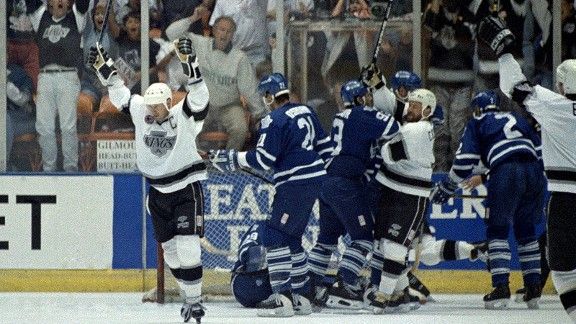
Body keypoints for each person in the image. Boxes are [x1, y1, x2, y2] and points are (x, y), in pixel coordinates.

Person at [88, 37, 209, 323]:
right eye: (150, 105)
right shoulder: (141, 109)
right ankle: (188, 295)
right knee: (170, 252)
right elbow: (120, 94)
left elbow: (201, 97)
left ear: (169, 102)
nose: (152, 110)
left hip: (185, 190)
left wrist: (190, 64)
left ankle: (194, 301)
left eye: (158, 106)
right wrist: (104, 67)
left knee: (188, 244)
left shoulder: (184, 115)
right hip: (156, 192)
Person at [209, 72, 332, 317]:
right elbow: (327, 149)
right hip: (315, 181)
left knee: (275, 236)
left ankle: (283, 298)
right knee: (292, 239)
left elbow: (264, 159)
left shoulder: (273, 119)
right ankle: (300, 298)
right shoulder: (306, 111)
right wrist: (309, 174)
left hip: (294, 184)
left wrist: (233, 159)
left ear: (268, 96)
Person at [478, 14, 576, 321]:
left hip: (565, 199)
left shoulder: (554, 106)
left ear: (562, 84)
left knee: (562, 271)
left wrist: (505, 51)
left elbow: (513, 87)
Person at [430, 89, 546, 310]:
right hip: (534, 173)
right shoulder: (517, 119)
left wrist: (449, 184)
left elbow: (465, 160)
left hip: (506, 173)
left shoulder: (478, 122)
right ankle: (533, 289)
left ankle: (501, 288)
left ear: (477, 109)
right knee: (527, 232)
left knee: (497, 232)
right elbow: (539, 150)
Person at [307, 78, 401, 310]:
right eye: (366, 96)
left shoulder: (343, 117)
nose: (369, 100)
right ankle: (344, 284)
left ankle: (310, 287)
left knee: (326, 240)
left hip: (327, 182)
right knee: (363, 238)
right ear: (360, 98)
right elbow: (393, 126)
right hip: (344, 185)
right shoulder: (361, 115)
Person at [366, 86, 438, 314]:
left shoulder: (417, 131)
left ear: (427, 111)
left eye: (416, 106)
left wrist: (383, 135)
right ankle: (402, 294)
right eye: (410, 104)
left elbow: (387, 153)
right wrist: (378, 85)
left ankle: (383, 295)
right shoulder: (412, 123)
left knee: (395, 248)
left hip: (410, 198)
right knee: (385, 245)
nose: (410, 108)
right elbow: (394, 105)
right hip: (391, 191)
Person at [165, 15, 269, 151]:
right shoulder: (199, 43)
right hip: (203, 104)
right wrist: (192, 18)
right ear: (214, 30)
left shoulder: (240, 58)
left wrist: (260, 115)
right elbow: (171, 33)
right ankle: (196, 160)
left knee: (240, 129)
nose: (224, 34)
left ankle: (228, 162)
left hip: (229, 106)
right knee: (187, 125)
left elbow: (249, 89)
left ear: (233, 35)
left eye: (229, 31)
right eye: (221, 29)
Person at [30, 0, 90, 172]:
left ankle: (70, 169)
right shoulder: (41, 17)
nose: (60, 2)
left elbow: (84, 3)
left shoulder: (76, 17)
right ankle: (49, 169)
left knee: (68, 126)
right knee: (44, 127)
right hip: (45, 76)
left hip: (68, 76)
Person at [6, 63, 36, 171]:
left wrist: (6, 84)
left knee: (5, 119)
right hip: (8, 123)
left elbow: (24, 100)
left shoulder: (18, 73)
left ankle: (5, 165)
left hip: (25, 121)